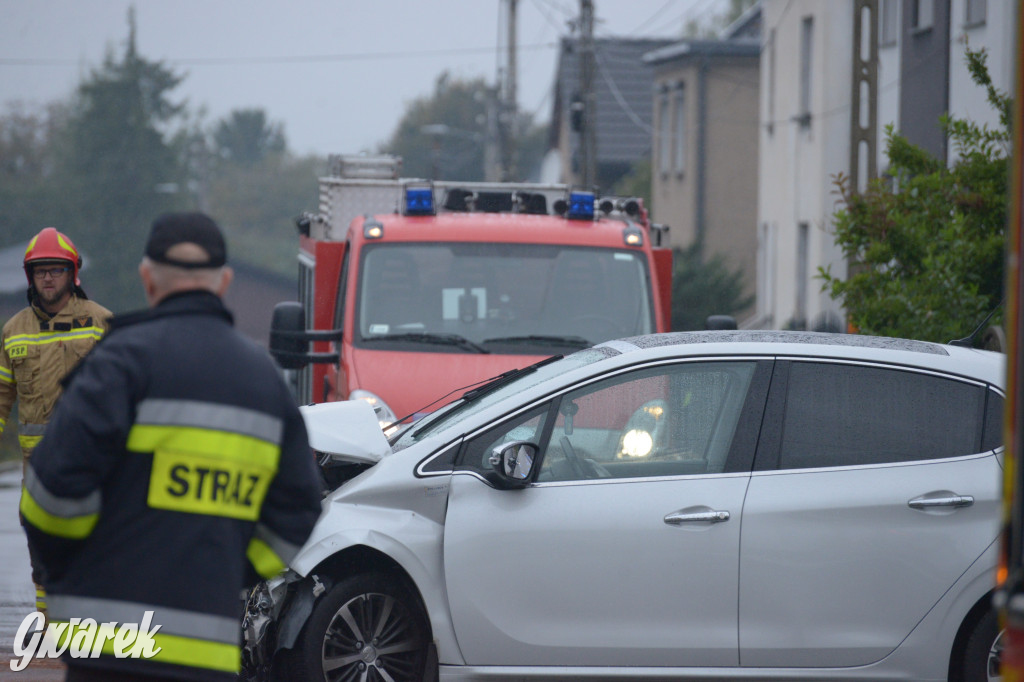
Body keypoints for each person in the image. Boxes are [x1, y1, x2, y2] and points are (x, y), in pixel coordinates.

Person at [20, 212, 324, 682]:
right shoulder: (265, 384)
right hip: (207, 655)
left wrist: (72, 567)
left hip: (107, 648)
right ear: (224, 282)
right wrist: (237, 568)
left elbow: (48, 499)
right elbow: (300, 508)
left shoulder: (114, 365)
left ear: (147, 278)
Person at [1, 227, 111, 616]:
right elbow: (1, 398)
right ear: (30, 276)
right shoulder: (13, 332)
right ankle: (50, 623)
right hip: (40, 465)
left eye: (56, 270)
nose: (48, 278)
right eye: (41, 271)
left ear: (72, 274)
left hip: (94, 459)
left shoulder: (101, 323)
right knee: (42, 540)